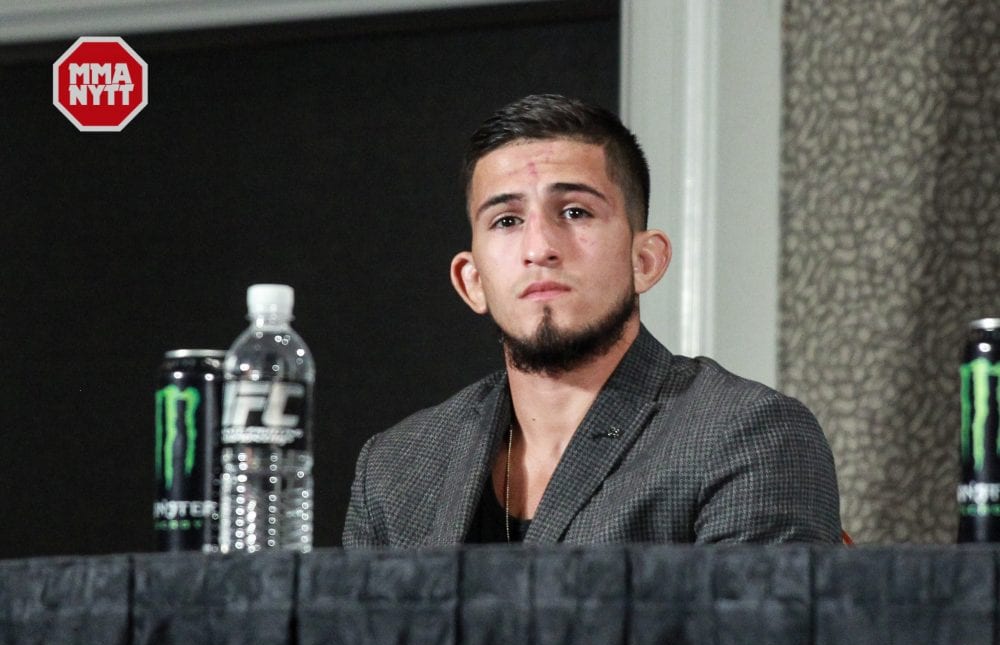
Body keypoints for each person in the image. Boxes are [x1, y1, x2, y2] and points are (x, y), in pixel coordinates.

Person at [343, 94, 841, 546]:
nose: (540, 248)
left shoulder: (745, 434)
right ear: (472, 281)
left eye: (576, 212)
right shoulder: (395, 467)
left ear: (644, 261)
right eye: (507, 221)